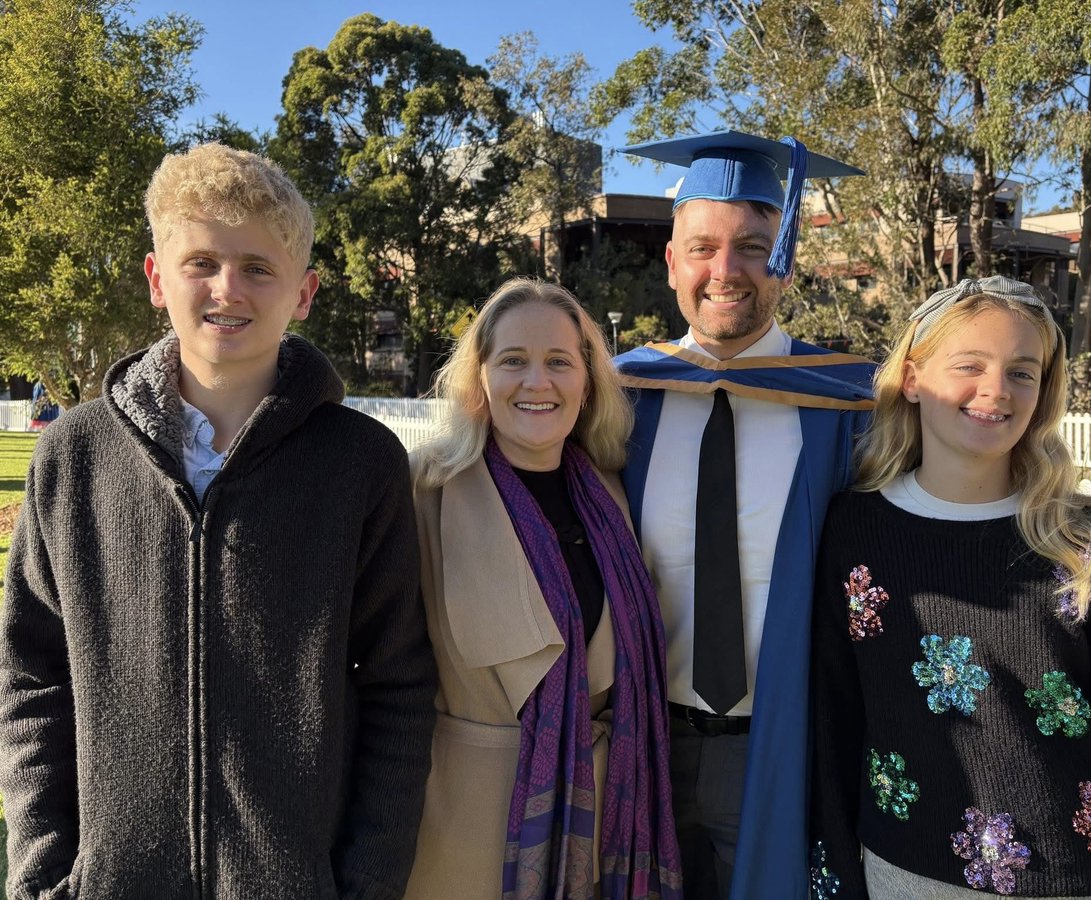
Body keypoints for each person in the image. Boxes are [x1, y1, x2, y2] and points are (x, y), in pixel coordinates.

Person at [612, 131, 1091, 900]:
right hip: (636, 738)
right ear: (672, 261)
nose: (727, 271)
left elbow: (972, 476)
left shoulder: (847, 405)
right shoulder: (619, 401)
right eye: (702, 248)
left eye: (754, 246)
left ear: (783, 258)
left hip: (792, 741)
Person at [0, 143, 437, 899]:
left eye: (258, 268)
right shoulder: (74, 455)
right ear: (155, 278)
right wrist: (42, 873)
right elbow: (32, 676)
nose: (227, 289)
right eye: (200, 261)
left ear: (304, 292)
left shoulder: (361, 463)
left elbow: (399, 689)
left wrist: (364, 885)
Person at [809, 276, 1091, 898]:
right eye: (970, 364)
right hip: (903, 872)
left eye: (1024, 371)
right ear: (911, 378)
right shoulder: (853, 531)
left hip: (1075, 879)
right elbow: (834, 718)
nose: (997, 390)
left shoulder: (1085, 542)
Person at [405, 278, 682, 899]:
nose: (538, 382)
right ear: (480, 378)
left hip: (601, 822)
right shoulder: (425, 491)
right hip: (466, 829)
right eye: (513, 361)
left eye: (559, 361)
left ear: (587, 384)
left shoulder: (613, 496)